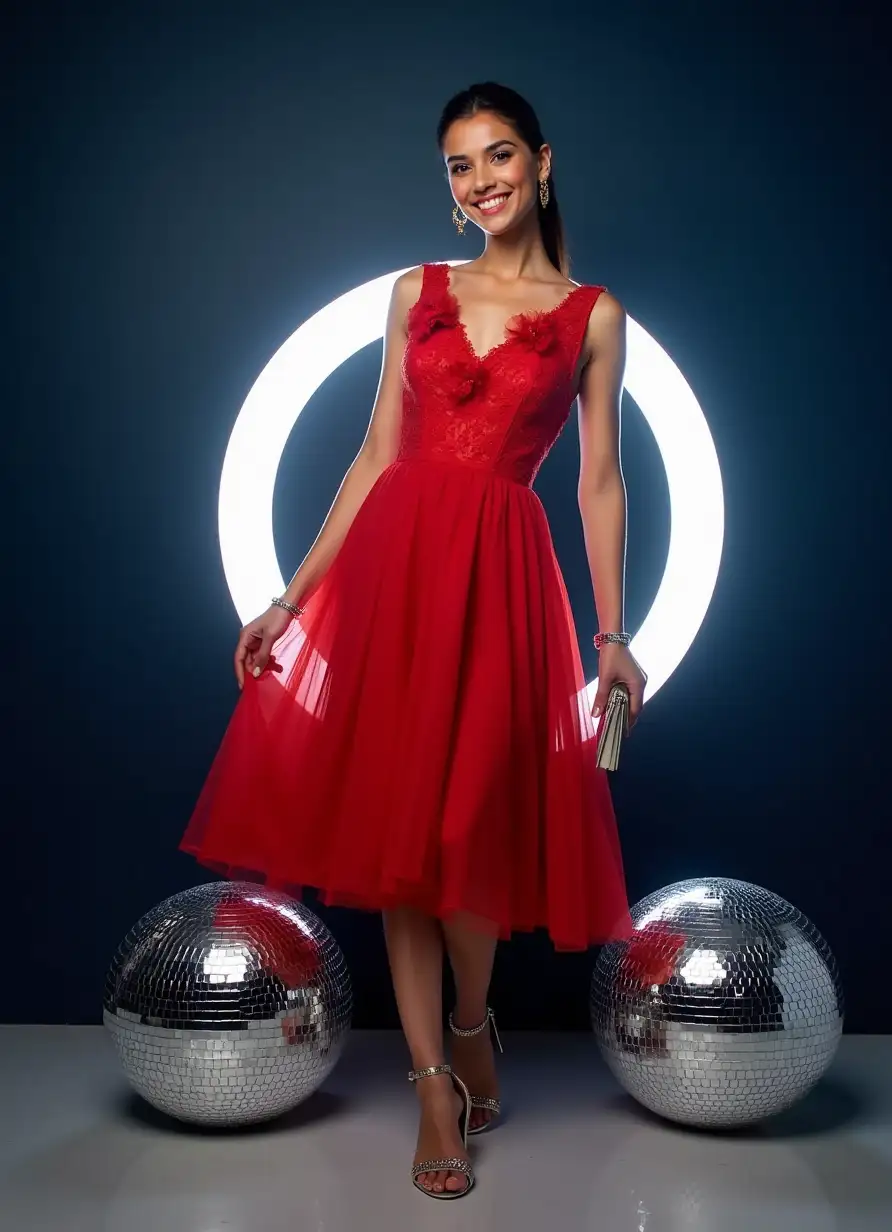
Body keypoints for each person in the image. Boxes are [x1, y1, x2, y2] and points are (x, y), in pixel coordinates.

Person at [179, 80, 648, 1199]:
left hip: (501, 578)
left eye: (496, 157)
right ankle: (435, 1078)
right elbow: (374, 451)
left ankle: (474, 1018)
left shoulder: (593, 315)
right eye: (457, 165)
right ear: (448, 188)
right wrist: (292, 598)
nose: (479, 180)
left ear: (541, 162)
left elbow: (598, 480)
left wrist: (612, 632)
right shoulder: (415, 291)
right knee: (401, 835)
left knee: (469, 826)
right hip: (397, 569)